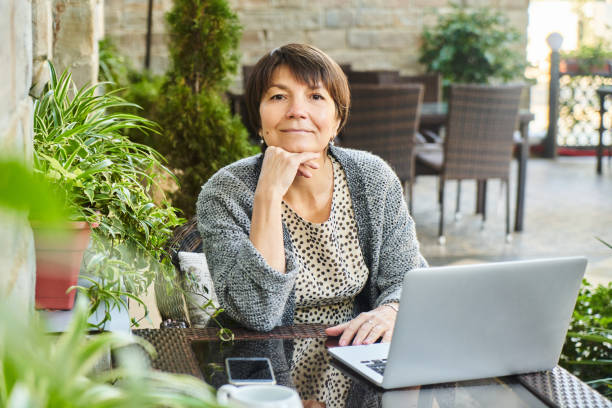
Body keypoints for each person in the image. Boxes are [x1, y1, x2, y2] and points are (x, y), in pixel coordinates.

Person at [196, 43, 427, 348]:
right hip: (267, 370)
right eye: (278, 96)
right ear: (259, 119)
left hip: (356, 355)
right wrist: (268, 193)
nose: (296, 111)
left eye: (316, 96)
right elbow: (256, 314)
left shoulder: (374, 178)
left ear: (337, 121)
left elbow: (407, 279)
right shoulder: (225, 191)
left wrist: (391, 311)